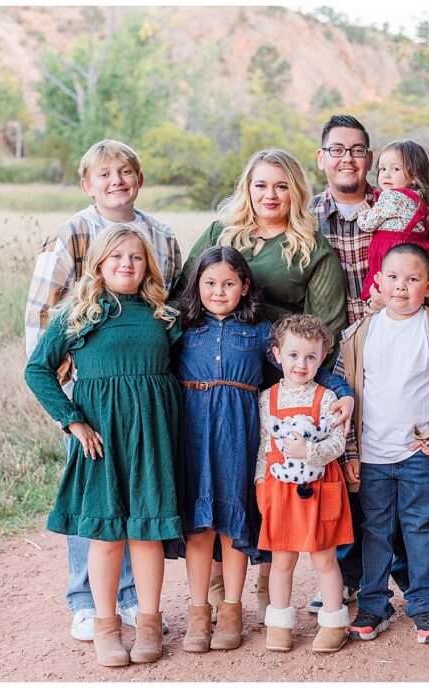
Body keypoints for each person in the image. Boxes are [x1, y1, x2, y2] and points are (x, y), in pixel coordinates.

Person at [177, 148, 350, 614]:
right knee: (216, 474)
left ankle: (264, 579)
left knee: (264, 481)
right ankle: (215, 587)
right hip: (221, 375)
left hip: (281, 386)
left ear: (295, 191)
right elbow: (185, 292)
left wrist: (337, 390)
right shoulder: (221, 233)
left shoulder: (311, 248)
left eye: (280, 185)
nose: (269, 194)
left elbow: (326, 329)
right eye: (260, 185)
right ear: (247, 189)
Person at [23, 139, 181, 641]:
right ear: (88, 183)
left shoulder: (162, 237)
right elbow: (40, 334)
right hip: (92, 402)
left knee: (145, 513)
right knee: (98, 513)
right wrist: (68, 411)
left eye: (127, 172)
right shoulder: (71, 236)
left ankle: (139, 607)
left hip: (149, 411)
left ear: (139, 178)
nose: (117, 181)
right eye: (105, 174)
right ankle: (91, 605)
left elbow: (176, 319)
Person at [307, 114, 429, 614]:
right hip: (336, 354)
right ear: (322, 158)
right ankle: (352, 578)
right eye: (337, 149)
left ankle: (415, 580)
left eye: (356, 150)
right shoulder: (309, 215)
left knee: (399, 471)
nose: (347, 158)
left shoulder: (396, 202)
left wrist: (410, 297)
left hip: (397, 341)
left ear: (370, 159)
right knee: (350, 469)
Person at [332, 243, 429, 644]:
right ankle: (374, 605)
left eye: (413, 279)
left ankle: (424, 606)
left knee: (419, 528)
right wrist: (349, 452)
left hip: (420, 454)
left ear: (428, 286)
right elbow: (341, 396)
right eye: (393, 278)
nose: (401, 287)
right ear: (377, 282)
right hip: (372, 456)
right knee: (375, 531)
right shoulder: (357, 334)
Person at [255, 315, 353, 653]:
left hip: (318, 488)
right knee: (281, 561)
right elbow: (262, 447)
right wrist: (260, 485)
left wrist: (309, 451)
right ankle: (279, 623)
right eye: (294, 355)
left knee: (324, 559)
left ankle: (333, 621)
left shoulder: (327, 398)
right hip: (278, 490)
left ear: (322, 356)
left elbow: (338, 443)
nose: (302, 364)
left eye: (311, 356)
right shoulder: (266, 399)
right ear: (277, 354)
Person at [357, 139, 429, 304]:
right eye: (382, 168)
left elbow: (367, 224)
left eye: (395, 169)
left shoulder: (393, 196)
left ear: (414, 176)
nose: (386, 174)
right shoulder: (420, 199)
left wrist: (363, 213)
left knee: (381, 287)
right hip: (414, 257)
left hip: (390, 251)